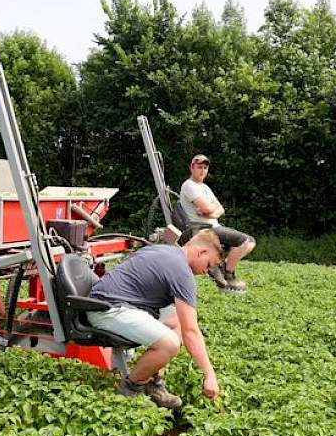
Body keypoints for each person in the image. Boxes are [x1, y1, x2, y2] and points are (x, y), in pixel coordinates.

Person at [86, 229, 224, 409]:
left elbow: (186, 325)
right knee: (170, 343)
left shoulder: (165, 251)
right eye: (208, 264)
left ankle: (153, 383)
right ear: (201, 252)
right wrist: (210, 375)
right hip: (106, 309)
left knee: (177, 323)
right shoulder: (182, 272)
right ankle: (131, 387)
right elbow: (192, 332)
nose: (207, 271)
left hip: (116, 302)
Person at [179, 154, 256, 293]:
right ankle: (228, 274)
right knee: (245, 241)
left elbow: (220, 209)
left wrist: (211, 213)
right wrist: (210, 210)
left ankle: (224, 268)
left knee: (250, 242)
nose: (202, 170)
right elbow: (208, 207)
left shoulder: (205, 188)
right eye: (199, 167)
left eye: (205, 168)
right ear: (192, 167)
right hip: (202, 229)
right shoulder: (189, 185)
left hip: (215, 226)